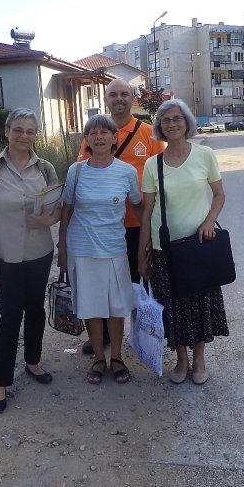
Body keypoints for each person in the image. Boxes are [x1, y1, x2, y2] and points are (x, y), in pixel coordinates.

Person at [0, 108, 61, 414]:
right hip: (4, 256)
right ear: (6, 131)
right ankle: (0, 383)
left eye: (30, 131)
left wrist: (47, 221)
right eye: (18, 130)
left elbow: (57, 209)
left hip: (39, 254)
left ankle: (33, 362)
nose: (24, 136)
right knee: (10, 316)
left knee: (35, 310)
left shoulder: (45, 169)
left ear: (36, 136)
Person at [138, 99, 228, 385]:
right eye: (166, 120)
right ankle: (181, 359)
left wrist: (209, 221)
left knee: (200, 303)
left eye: (177, 118)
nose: (172, 124)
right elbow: (147, 211)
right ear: (159, 127)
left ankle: (199, 359)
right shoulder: (153, 164)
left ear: (187, 122)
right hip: (165, 249)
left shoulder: (205, 155)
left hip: (199, 245)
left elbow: (219, 195)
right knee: (172, 304)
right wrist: (142, 254)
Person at [77, 78, 165, 355]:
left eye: (124, 94)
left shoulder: (149, 134)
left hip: (139, 224)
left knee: (139, 281)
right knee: (104, 283)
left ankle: (142, 335)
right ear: (105, 99)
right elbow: (82, 172)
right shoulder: (94, 134)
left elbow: (164, 176)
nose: (119, 98)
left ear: (132, 98)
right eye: (113, 94)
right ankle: (102, 336)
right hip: (102, 227)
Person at [58, 114, 142, 384]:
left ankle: (116, 357)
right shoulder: (76, 171)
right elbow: (66, 210)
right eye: (93, 133)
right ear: (87, 139)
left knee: (116, 308)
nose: (99, 137)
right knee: (91, 307)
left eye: (104, 132)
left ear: (114, 137)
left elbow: (139, 207)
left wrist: (150, 239)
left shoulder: (127, 172)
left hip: (115, 249)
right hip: (82, 250)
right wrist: (62, 247)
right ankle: (98, 358)